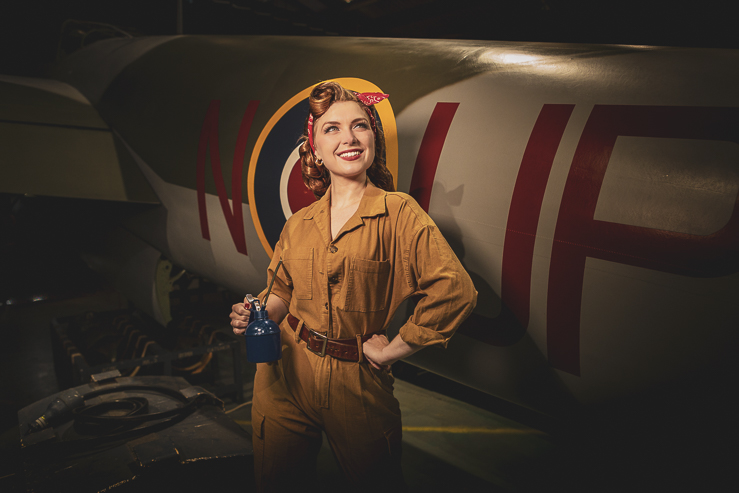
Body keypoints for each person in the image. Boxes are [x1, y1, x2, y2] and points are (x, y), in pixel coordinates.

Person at [230, 81, 477, 492]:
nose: (348, 138)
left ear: (372, 139)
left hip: (356, 380)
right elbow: (281, 292)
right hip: (283, 372)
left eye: (360, 126)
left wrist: (393, 350)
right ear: (315, 148)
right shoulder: (300, 222)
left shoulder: (399, 213)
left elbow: (456, 292)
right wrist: (255, 311)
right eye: (332, 129)